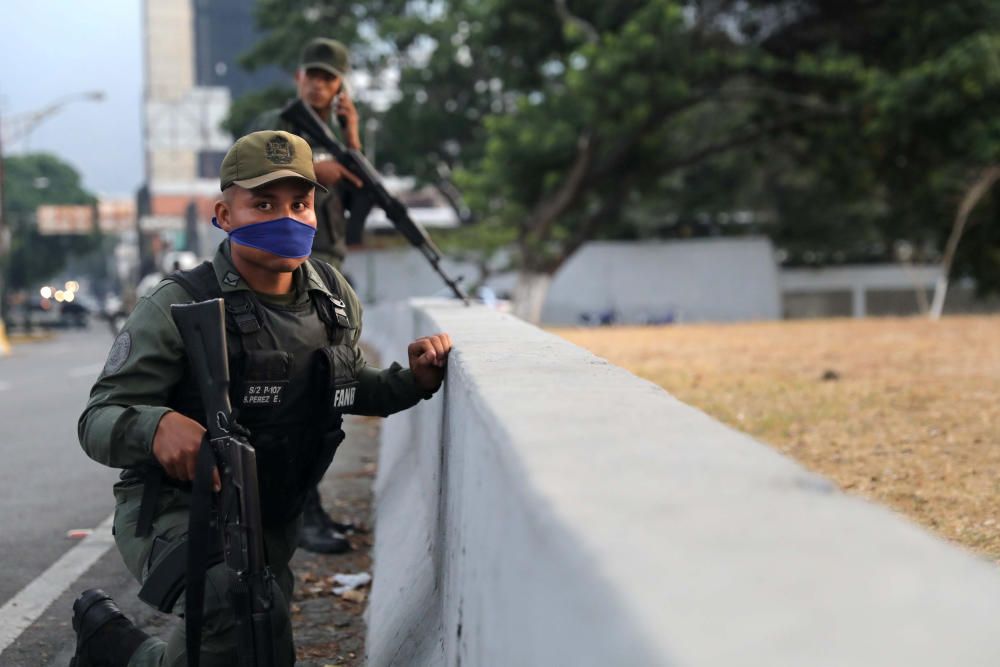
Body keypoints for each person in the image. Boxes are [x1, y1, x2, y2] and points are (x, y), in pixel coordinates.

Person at [71, 130, 452, 667]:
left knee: (258, 650)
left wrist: (410, 380)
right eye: (264, 204)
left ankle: (111, 646)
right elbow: (97, 419)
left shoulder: (332, 298)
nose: (287, 218)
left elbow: (340, 386)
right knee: (234, 608)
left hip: (270, 513)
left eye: (300, 203)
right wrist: (157, 429)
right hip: (177, 508)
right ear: (224, 214)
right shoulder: (179, 304)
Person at [251, 37, 370, 553]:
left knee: (329, 384)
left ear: (341, 86)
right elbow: (257, 182)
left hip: (329, 265)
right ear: (299, 76)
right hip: (289, 266)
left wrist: (352, 133)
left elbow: (363, 192)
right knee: (301, 389)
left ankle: (307, 510)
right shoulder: (281, 128)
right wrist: (311, 171)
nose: (320, 85)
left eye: (330, 78)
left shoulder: (335, 131)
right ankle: (302, 515)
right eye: (313, 75)